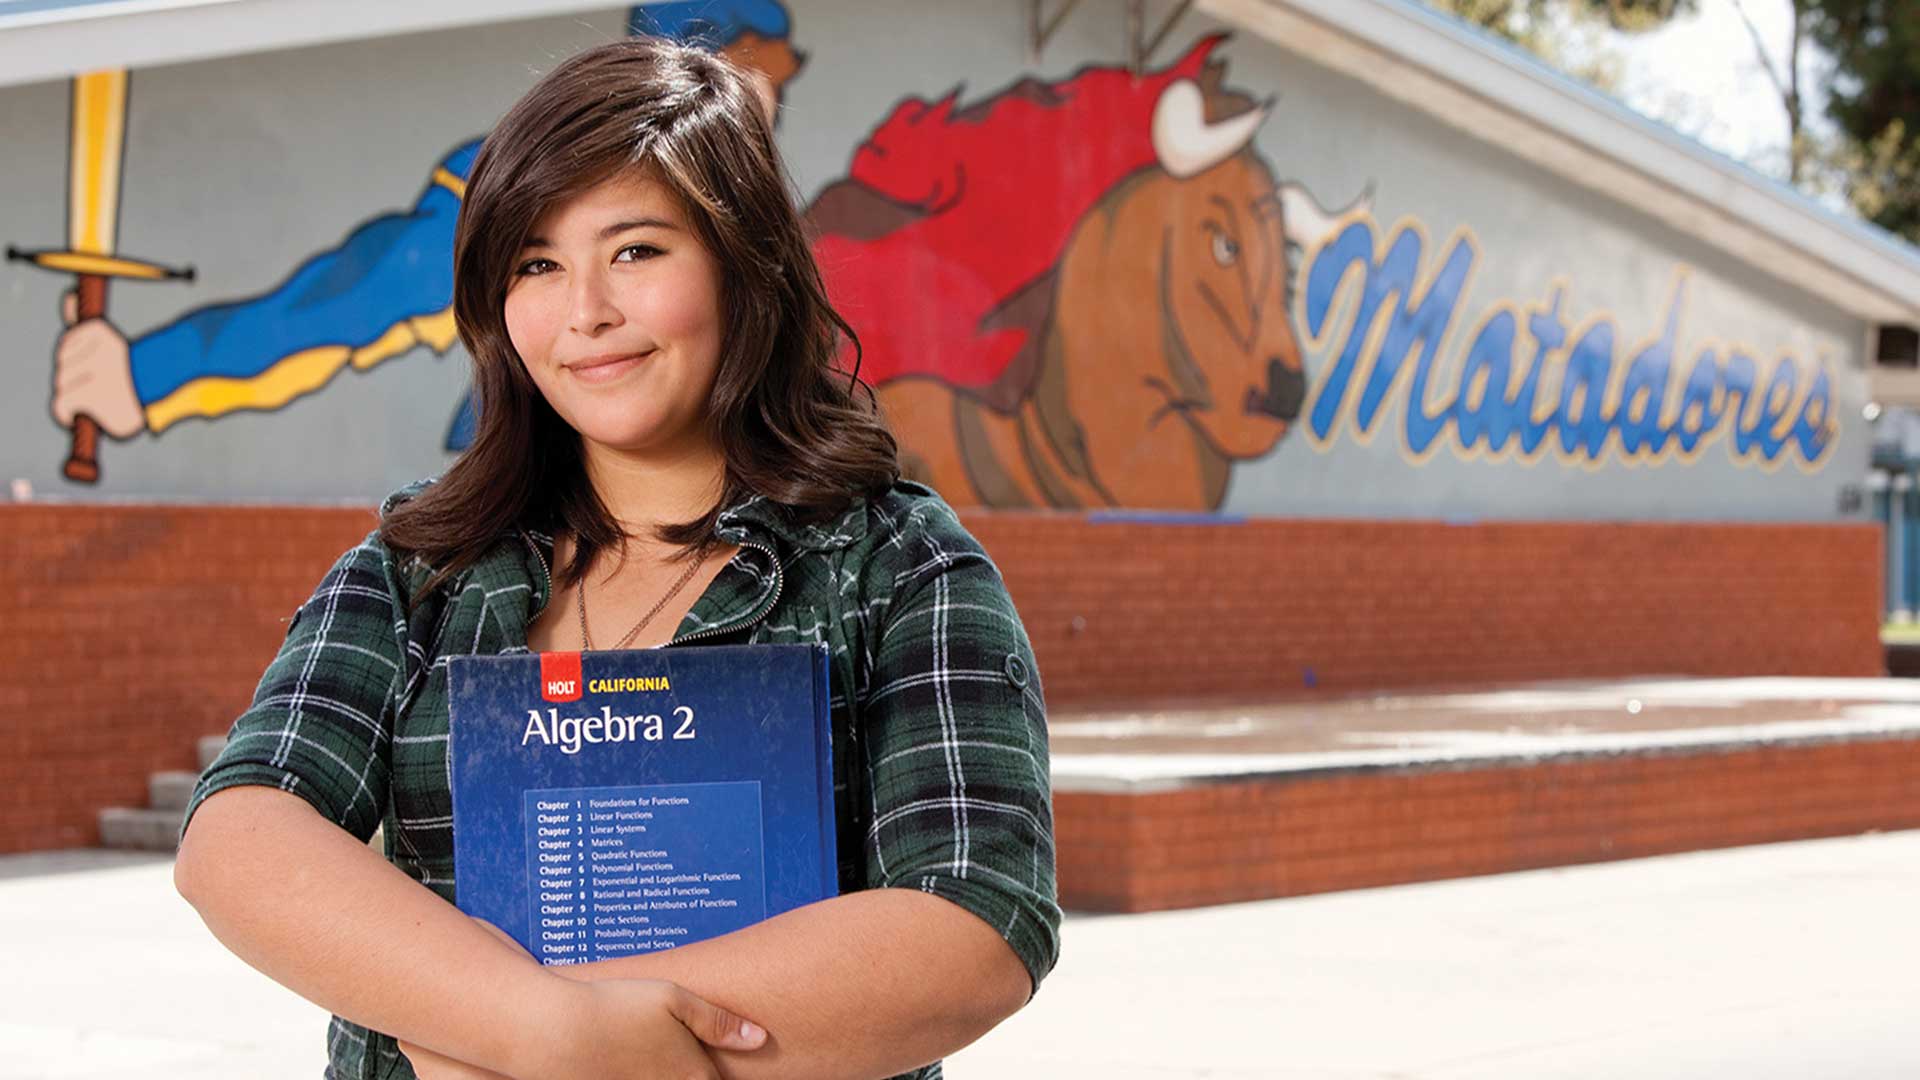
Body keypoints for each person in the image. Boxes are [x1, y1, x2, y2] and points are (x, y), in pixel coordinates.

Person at [172, 36, 1059, 1080]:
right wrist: (529, 1025)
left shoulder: (901, 571)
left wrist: (564, 1035)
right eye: (537, 264)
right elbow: (241, 832)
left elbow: (976, 923)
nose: (585, 311)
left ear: (742, 264)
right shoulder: (418, 568)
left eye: (636, 251)